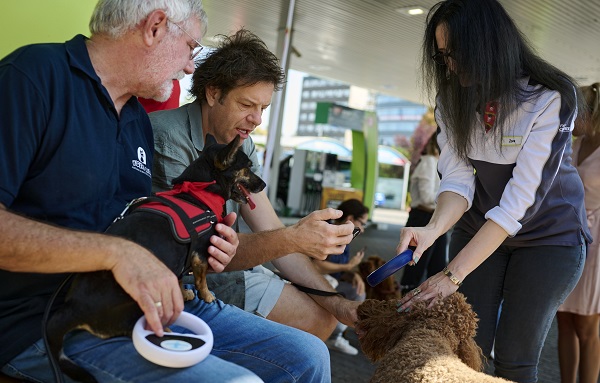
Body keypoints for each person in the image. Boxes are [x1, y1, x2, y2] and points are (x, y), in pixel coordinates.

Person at [0, 1, 333, 381]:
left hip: (144, 303)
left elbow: (140, 223)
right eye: (191, 47)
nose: (191, 65)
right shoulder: (33, 77)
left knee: (307, 355)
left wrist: (205, 244)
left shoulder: (136, 120)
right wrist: (117, 253)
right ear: (155, 27)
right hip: (45, 318)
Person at [396, 1, 591, 382]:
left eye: (456, 53)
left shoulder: (550, 95)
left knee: (516, 358)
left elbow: (520, 202)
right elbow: (457, 180)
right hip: (477, 228)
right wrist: (432, 230)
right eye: (442, 56)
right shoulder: (451, 99)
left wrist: (451, 275)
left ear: (489, 43)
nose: (449, 65)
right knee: (468, 349)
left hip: (549, 237)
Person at [150, 28, 359, 342]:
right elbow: (201, 252)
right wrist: (294, 238)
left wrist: (341, 305)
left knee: (325, 318)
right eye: (248, 105)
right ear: (212, 93)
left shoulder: (241, 144)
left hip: (229, 265)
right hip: (184, 278)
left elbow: (269, 228)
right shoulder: (166, 138)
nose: (257, 119)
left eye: (263, 108)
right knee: (312, 332)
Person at [556, 82, 600, 383]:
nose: (571, 117)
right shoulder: (572, 143)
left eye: (577, 112)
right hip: (567, 235)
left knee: (586, 326)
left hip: (598, 244)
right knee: (563, 321)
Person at [312, 199, 368, 355]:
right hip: (310, 281)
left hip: (328, 281)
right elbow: (317, 265)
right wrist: (348, 267)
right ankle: (333, 335)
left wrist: (353, 274)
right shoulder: (326, 230)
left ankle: (335, 335)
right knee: (353, 292)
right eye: (362, 223)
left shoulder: (344, 235)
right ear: (350, 218)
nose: (362, 229)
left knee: (357, 290)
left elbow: (338, 267)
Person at [400, 133, 449, 293]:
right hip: (423, 218)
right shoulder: (429, 162)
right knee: (416, 267)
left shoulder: (439, 163)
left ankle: (425, 308)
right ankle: (406, 307)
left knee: (436, 266)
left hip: (435, 218)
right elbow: (426, 198)